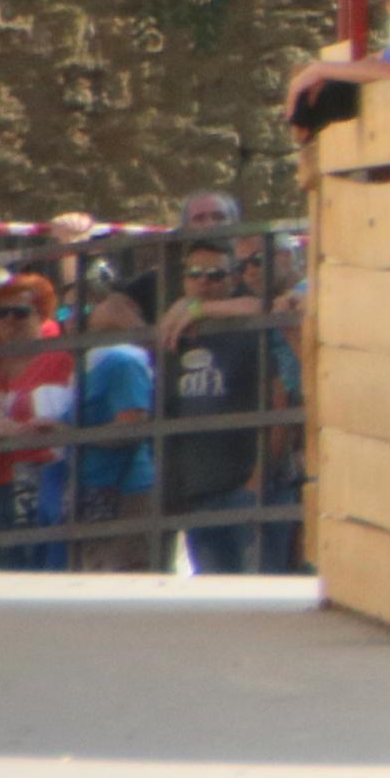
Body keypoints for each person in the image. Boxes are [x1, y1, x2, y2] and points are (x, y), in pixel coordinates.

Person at [159, 235, 297, 576]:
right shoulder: (174, 333)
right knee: (213, 599)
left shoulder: (249, 327)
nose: (204, 282)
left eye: (216, 274)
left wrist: (258, 478)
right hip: (199, 496)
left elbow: (279, 400)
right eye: (195, 274)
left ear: (232, 279)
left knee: (261, 597)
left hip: (249, 491)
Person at [0, 273, 74, 570]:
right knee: (1, 571)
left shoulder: (58, 361)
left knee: (40, 571)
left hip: (44, 481)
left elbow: (63, 425)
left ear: (41, 315)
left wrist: (19, 431)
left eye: (19, 312)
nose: (9, 320)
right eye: (1, 313)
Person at [62, 282, 157, 572]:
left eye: (84, 307)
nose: (73, 317)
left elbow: (132, 425)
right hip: (92, 490)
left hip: (123, 492)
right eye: (65, 310)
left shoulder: (121, 360)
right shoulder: (88, 362)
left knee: (120, 580)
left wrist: (70, 435)